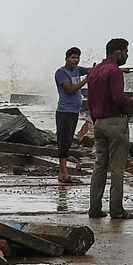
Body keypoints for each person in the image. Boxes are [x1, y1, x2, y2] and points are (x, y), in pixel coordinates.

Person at [85, 38, 133, 219]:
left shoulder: (94, 72)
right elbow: (118, 98)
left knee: (99, 166)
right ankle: (116, 209)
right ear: (118, 52)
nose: (126, 55)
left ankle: (94, 209)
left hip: (99, 122)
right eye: (125, 52)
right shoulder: (114, 72)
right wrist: (131, 102)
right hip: (115, 123)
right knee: (117, 168)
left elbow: (91, 100)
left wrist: (96, 120)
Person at [54, 48, 90, 183]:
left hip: (74, 111)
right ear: (66, 58)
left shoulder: (77, 70)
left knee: (68, 141)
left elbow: (93, 70)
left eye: (77, 58)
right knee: (63, 141)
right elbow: (69, 89)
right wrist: (86, 80)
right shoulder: (61, 72)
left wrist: (116, 68)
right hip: (64, 111)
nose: (75, 60)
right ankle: (63, 173)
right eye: (72, 58)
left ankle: (63, 172)